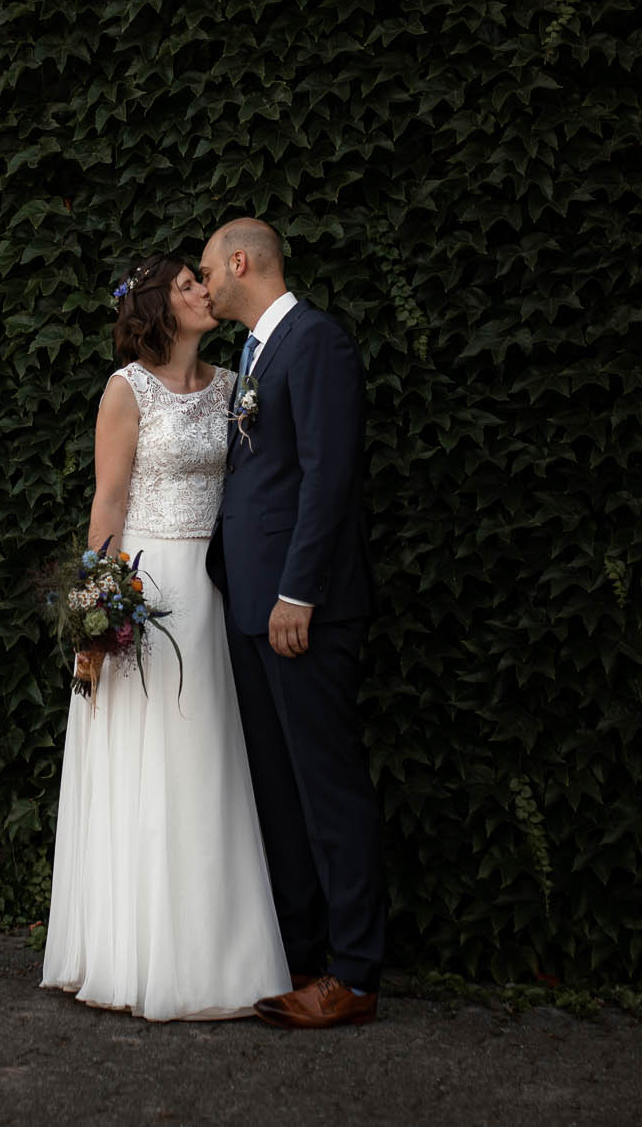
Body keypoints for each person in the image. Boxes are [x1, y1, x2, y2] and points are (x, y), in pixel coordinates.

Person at [40, 254, 293, 1020]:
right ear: (157, 306)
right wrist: (94, 616)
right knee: (146, 767)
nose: (202, 291)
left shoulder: (231, 385)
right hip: (146, 592)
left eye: (200, 280)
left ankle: (223, 954)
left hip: (214, 592)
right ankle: (136, 950)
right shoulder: (126, 390)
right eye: (186, 285)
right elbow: (107, 506)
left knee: (211, 761)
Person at [198, 217, 385, 1030]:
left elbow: (326, 473)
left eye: (207, 269)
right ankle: (301, 955)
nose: (201, 285)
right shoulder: (253, 353)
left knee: (327, 789)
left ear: (242, 261)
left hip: (297, 609)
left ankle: (356, 971)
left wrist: (298, 591)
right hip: (250, 606)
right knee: (278, 793)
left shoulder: (316, 343)